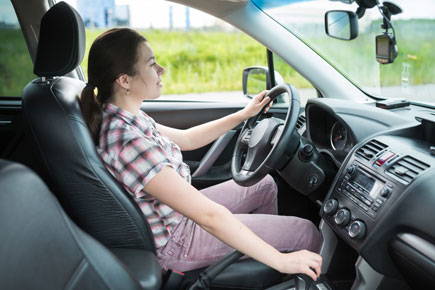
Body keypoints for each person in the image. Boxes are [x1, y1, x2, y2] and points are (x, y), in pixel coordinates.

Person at [79, 28, 323, 281]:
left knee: (264, 184)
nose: (161, 70)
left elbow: (187, 139)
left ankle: (263, 271)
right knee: (305, 233)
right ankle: (283, 263)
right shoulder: (127, 142)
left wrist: (243, 115)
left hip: (178, 217)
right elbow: (209, 218)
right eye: (152, 64)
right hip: (177, 240)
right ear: (125, 81)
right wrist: (280, 259)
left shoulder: (129, 117)